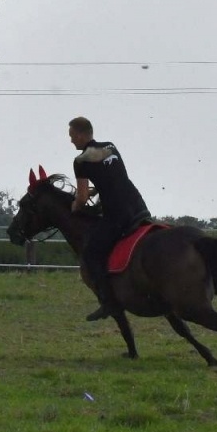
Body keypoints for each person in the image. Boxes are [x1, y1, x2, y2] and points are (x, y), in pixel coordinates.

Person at [69, 116, 152, 323]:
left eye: (72, 136)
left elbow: (80, 197)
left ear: (80, 134)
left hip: (117, 214)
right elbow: (113, 178)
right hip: (138, 206)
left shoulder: (81, 161)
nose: (71, 141)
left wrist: (75, 206)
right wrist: (97, 189)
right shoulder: (110, 146)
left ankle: (108, 302)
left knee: (91, 253)